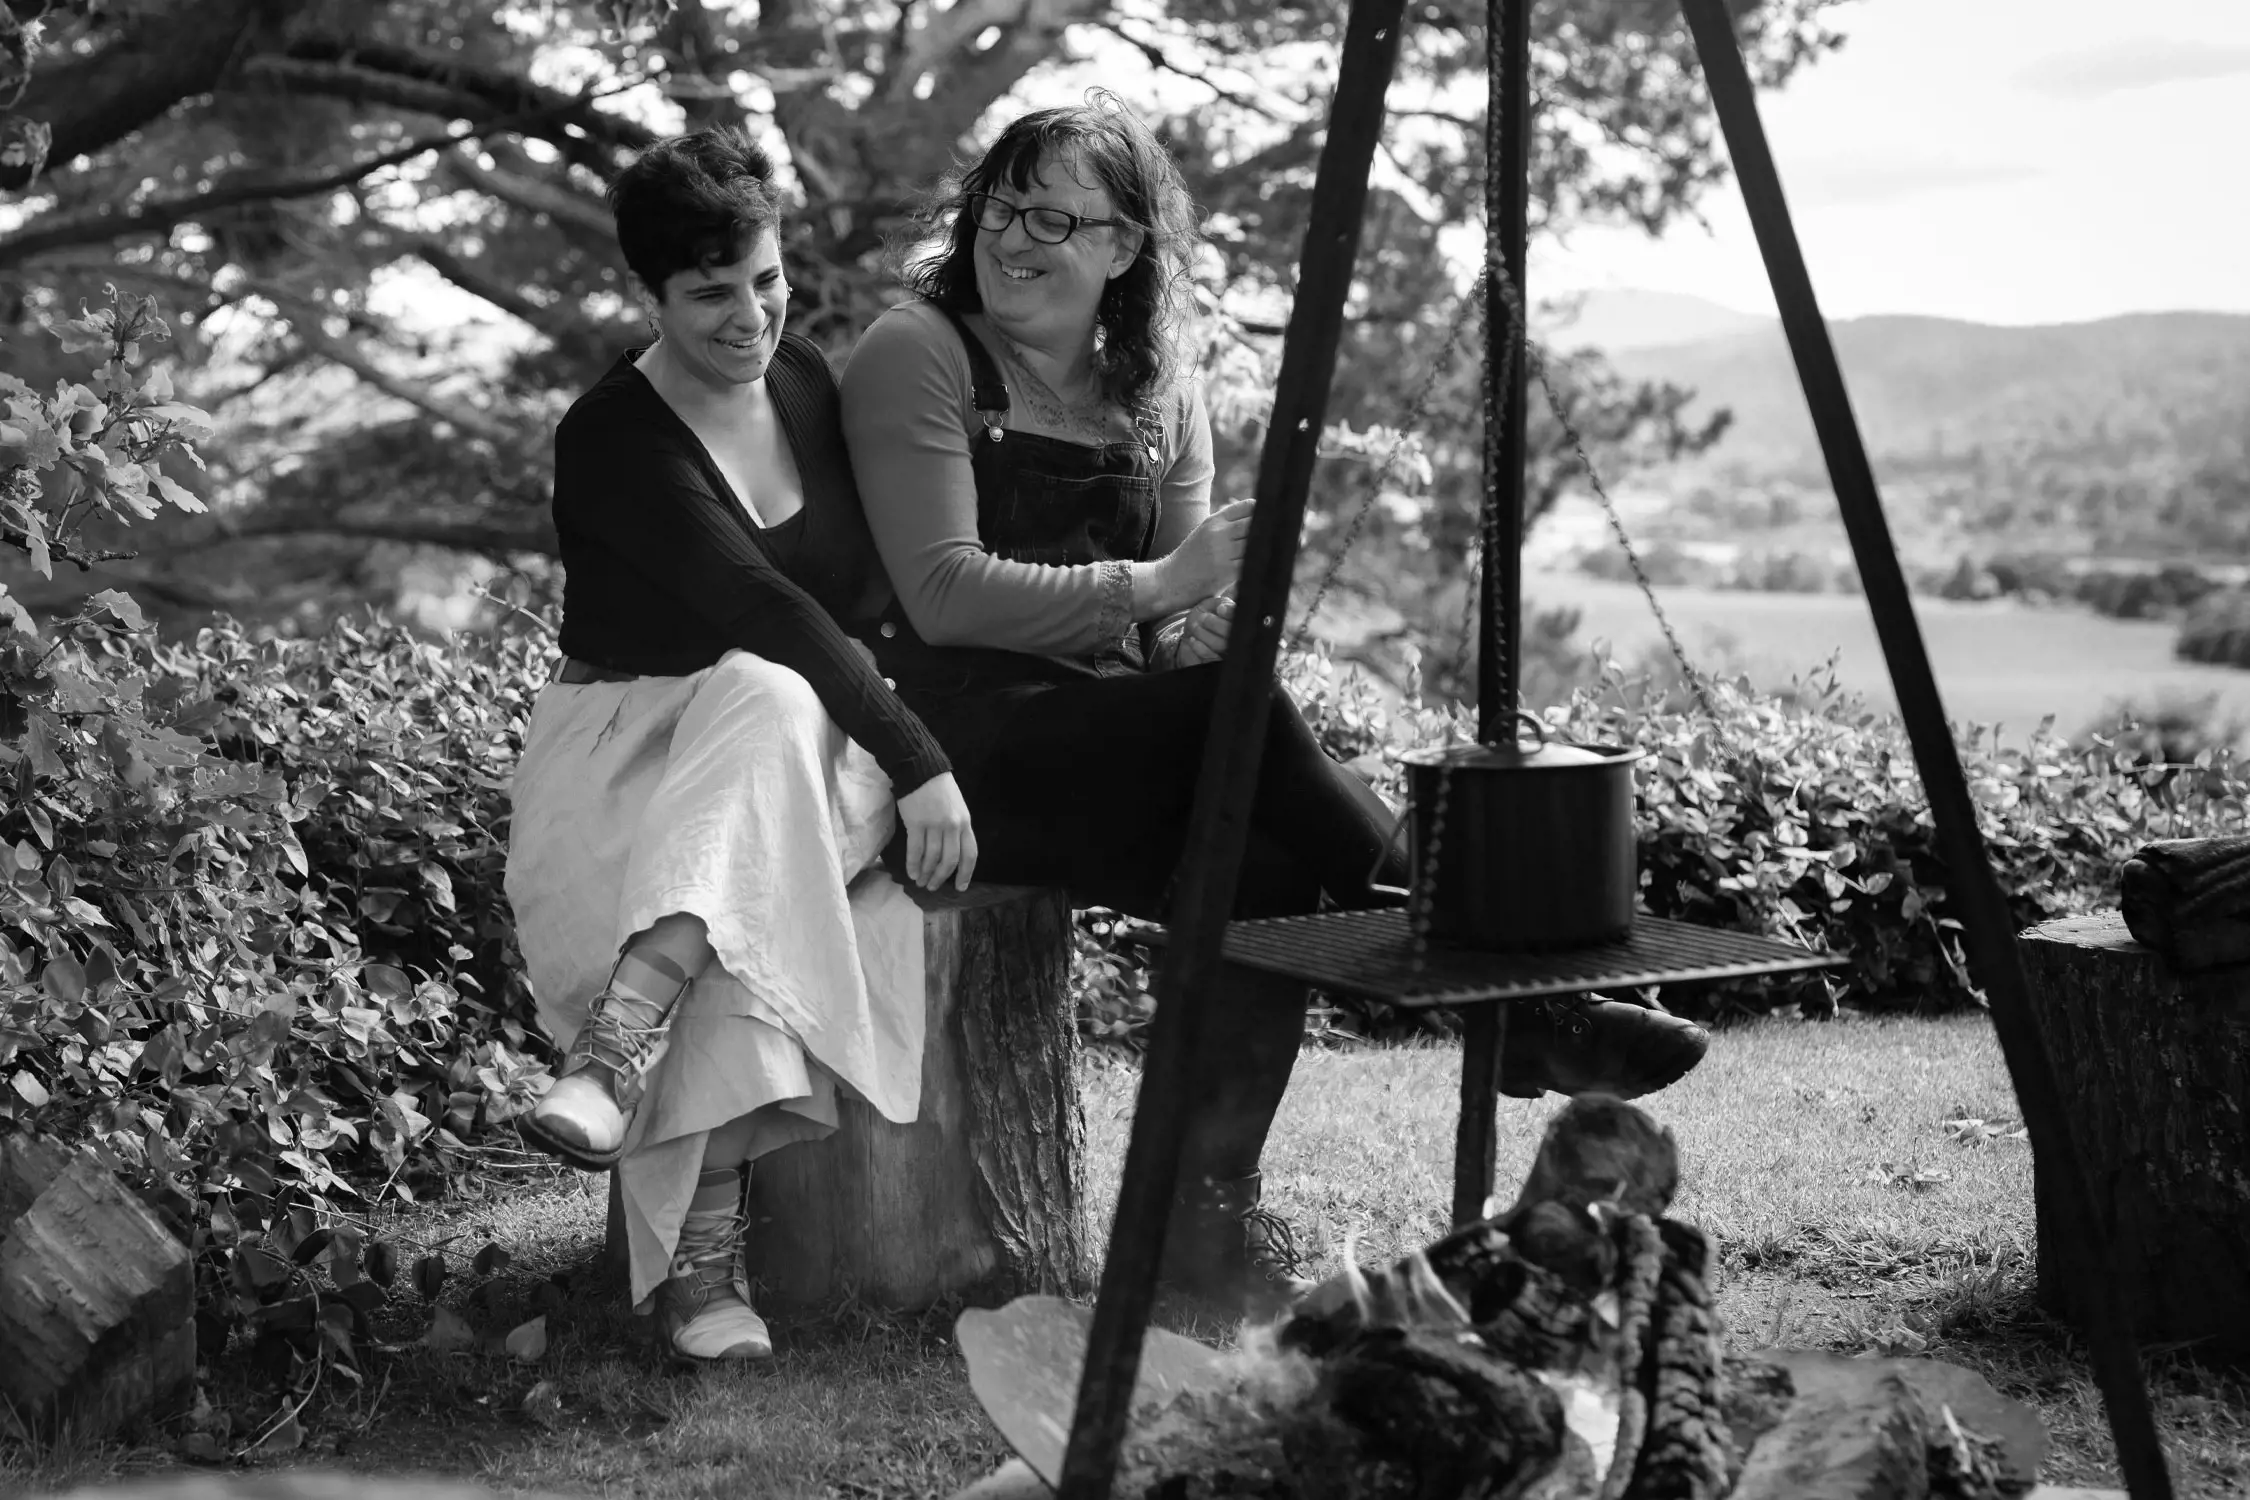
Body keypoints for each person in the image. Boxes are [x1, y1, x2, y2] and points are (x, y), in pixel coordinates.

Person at [838, 93, 1709, 1319]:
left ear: (1125, 247)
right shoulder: (917, 352)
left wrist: (1213, 607)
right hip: (950, 749)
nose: (1011, 237)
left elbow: (1177, 635)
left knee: (1259, 867)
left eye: (1052, 216)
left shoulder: (1157, 391)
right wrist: (1159, 589)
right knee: (1228, 717)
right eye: (1000, 205)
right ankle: (1520, 996)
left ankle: (1201, 1234)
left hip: (1110, 734)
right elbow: (939, 596)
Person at [505, 127, 978, 1363]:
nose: (749, 316)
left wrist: (911, 727)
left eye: (763, 279)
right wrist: (921, 759)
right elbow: (763, 610)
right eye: (710, 293)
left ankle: (624, 1051)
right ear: (651, 297)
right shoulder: (611, 436)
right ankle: (700, 1262)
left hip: (802, 733)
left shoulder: (809, 384)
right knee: (760, 725)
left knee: (768, 731)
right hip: (627, 743)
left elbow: (859, 591)